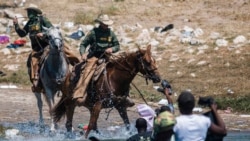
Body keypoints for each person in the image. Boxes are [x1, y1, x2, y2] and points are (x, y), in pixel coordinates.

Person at [13, 7, 79, 92]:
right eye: (28, 12)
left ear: (35, 13)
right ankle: (36, 80)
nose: (28, 14)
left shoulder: (42, 20)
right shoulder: (30, 23)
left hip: (49, 44)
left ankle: (78, 68)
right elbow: (22, 34)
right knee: (33, 60)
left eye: (30, 12)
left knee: (68, 52)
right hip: (37, 48)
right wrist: (16, 25)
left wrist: (43, 34)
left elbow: (52, 30)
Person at [72, 14, 120, 104]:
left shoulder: (111, 33)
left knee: (120, 69)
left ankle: (124, 95)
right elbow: (83, 44)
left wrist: (112, 49)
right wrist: (83, 54)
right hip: (94, 56)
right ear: (100, 23)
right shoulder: (93, 33)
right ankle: (80, 93)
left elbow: (117, 45)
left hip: (107, 56)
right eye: (105, 24)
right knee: (87, 71)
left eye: (107, 24)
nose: (106, 25)